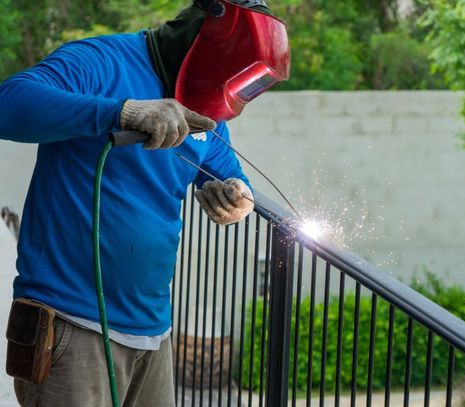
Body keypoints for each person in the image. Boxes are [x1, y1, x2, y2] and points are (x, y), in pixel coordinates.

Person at [0, 0, 289, 405]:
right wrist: (121, 112)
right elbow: (8, 104)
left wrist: (237, 196)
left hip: (154, 331)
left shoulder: (205, 106)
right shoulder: (98, 62)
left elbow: (225, 167)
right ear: (207, 43)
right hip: (70, 326)